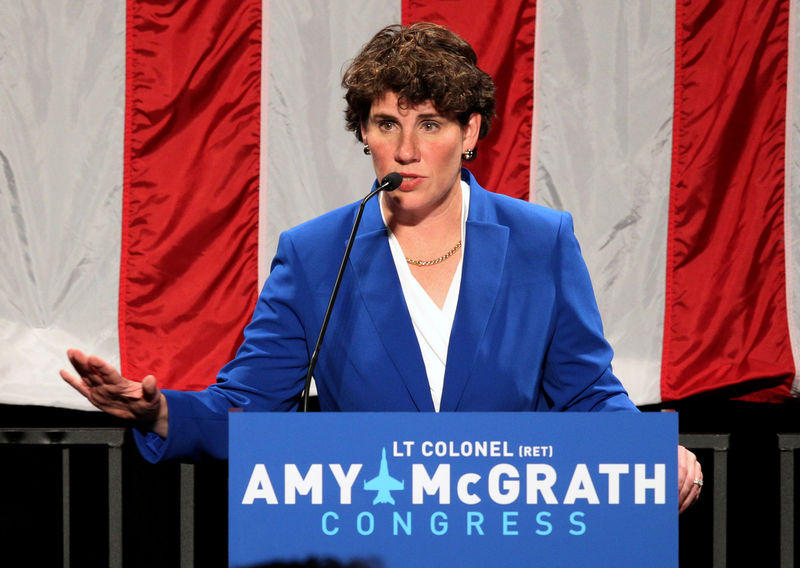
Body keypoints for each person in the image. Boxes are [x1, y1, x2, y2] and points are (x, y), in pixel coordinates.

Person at [61, 22, 702, 512]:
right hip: (370, 535)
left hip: (508, 534)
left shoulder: (540, 242)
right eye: (386, 123)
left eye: (431, 123)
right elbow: (250, 407)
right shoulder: (316, 254)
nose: (408, 149)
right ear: (364, 133)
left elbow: (587, 393)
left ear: (470, 131)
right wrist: (157, 413)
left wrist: (649, 455)